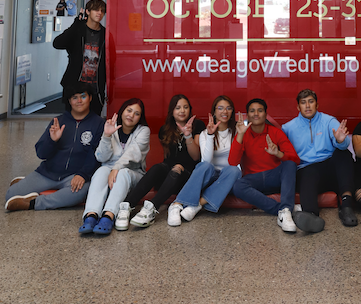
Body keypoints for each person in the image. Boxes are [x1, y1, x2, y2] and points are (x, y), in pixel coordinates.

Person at [5, 82, 103, 212]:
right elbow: (41, 153)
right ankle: (30, 186)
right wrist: (52, 140)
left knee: (79, 193)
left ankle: (32, 203)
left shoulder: (99, 124)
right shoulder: (59, 121)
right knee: (10, 195)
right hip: (48, 173)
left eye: (83, 96)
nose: (79, 101)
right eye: (74, 97)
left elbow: (95, 154)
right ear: (69, 101)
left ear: (90, 98)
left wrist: (83, 175)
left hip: (74, 176)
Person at [123, 94, 204, 229]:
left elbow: (196, 157)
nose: (182, 111)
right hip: (170, 178)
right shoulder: (165, 129)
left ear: (190, 109)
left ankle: (151, 209)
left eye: (185, 107)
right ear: (172, 111)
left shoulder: (198, 125)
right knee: (156, 168)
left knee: (177, 167)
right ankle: (127, 206)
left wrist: (188, 135)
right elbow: (167, 159)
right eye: (178, 108)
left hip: (189, 178)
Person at [282, 88, 356, 233]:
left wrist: (340, 141)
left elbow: (344, 142)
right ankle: (312, 217)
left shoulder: (328, 121)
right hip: (307, 169)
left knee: (343, 153)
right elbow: (283, 154)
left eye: (311, 102)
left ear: (317, 105)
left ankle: (347, 207)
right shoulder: (288, 128)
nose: (307, 106)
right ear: (298, 107)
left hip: (330, 167)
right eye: (303, 103)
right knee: (308, 172)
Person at [78, 98, 150, 235]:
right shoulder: (111, 126)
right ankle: (91, 216)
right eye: (129, 110)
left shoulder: (143, 131)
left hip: (133, 173)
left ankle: (108, 216)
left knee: (122, 174)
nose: (131, 115)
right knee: (100, 171)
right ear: (122, 111)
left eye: (136, 113)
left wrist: (116, 168)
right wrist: (106, 136)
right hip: (108, 170)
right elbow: (101, 157)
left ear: (140, 117)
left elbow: (132, 154)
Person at [229, 98, 299, 233]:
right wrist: (240, 135)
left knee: (289, 164)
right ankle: (283, 210)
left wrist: (277, 153)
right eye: (252, 111)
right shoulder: (242, 134)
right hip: (253, 180)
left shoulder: (276, 132)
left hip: (274, 176)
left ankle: (285, 210)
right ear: (247, 115)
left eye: (260, 110)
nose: (256, 114)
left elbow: (295, 158)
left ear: (265, 114)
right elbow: (232, 162)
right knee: (237, 186)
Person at [169, 95, 241, 223]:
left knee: (234, 170)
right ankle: (176, 205)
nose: (225, 111)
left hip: (228, 177)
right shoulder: (204, 133)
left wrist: (240, 134)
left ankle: (196, 205)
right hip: (212, 175)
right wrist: (210, 136)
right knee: (204, 166)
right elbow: (206, 161)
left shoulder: (237, 131)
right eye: (220, 108)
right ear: (214, 111)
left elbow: (236, 162)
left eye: (228, 108)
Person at [53, 0, 107, 115]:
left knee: (94, 122)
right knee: (72, 121)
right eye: (96, 10)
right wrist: (76, 24)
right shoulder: (77, 30)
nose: (99, 13)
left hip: (95, 88)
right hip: (75, 85)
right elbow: (57, 44)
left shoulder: (105, 34)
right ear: (87, 11)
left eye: (102, 11)